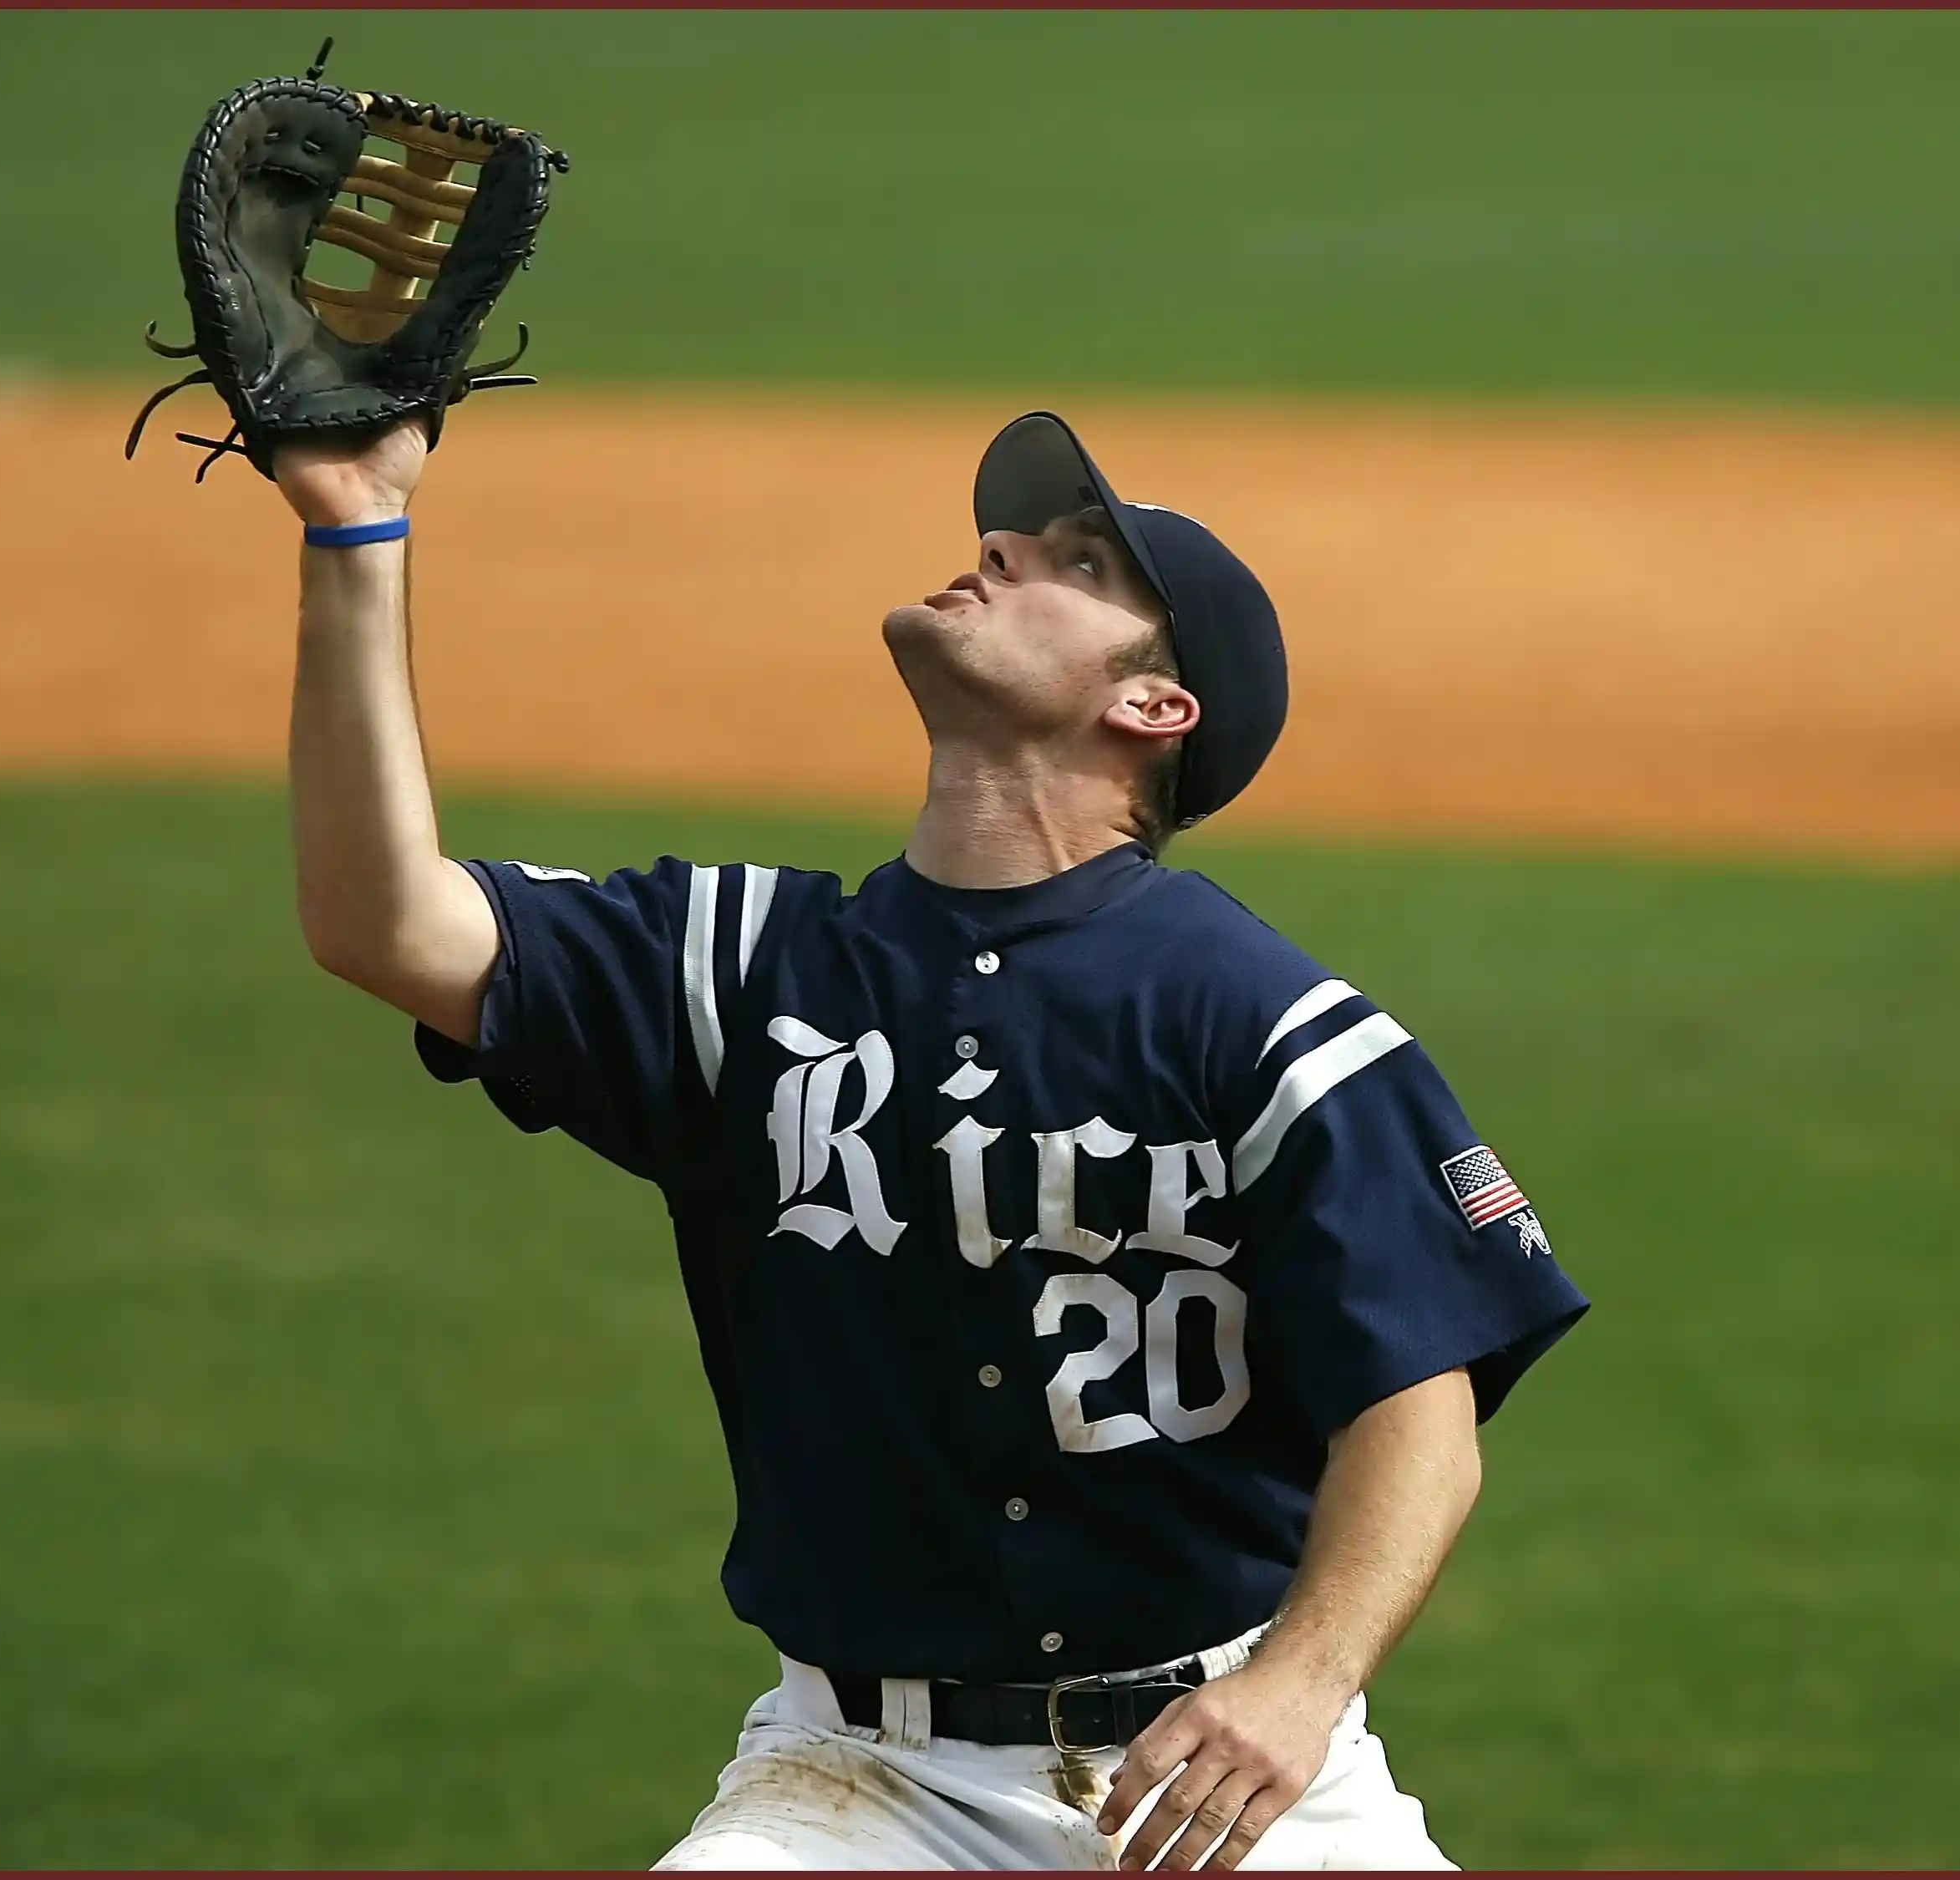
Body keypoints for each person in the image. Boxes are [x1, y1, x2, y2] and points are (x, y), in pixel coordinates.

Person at [270, 408, 1590, 1869]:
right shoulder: (745, 973)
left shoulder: (1265, 1023)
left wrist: (1300, 1680)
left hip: (1231, 1769)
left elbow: (1420, 1411)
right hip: (859, 1782)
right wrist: (352, 525)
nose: (999, 548)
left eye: (1076, 561)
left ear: (1155, 707)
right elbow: (379, 919)